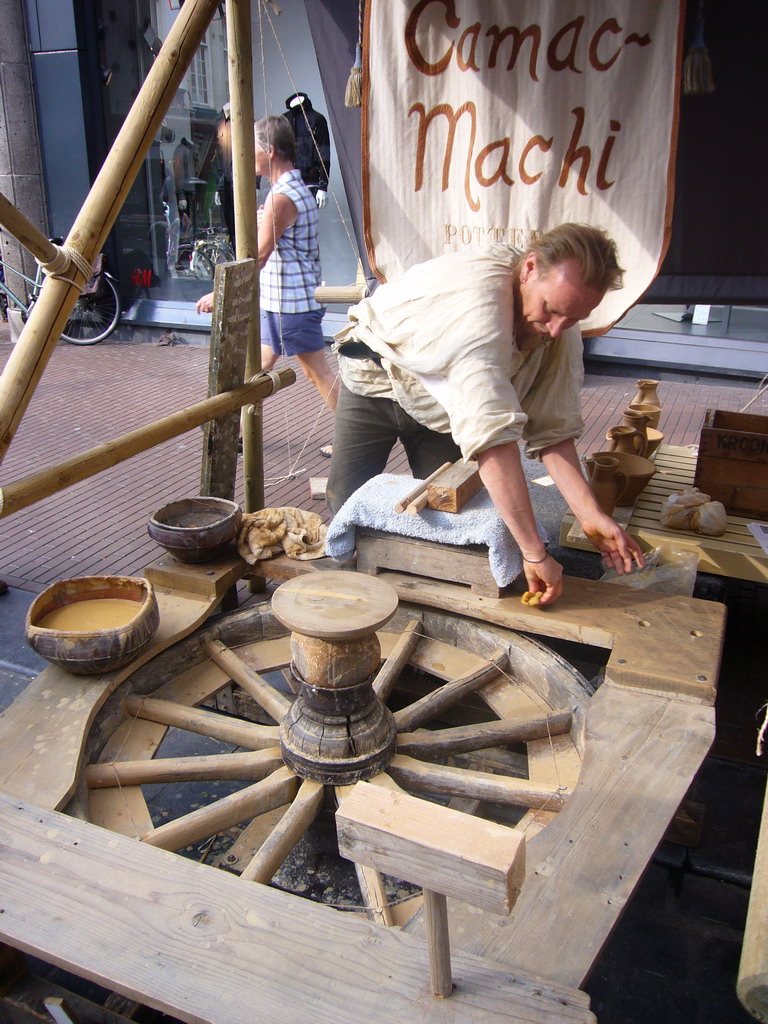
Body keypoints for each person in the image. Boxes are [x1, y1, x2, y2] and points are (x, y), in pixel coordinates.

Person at [326, 223, 645, 606]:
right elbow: (494, 440)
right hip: (376, 380)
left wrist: (589, 514)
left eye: (574, 318)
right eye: (551, 311)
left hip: (442, 404)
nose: (557, 329)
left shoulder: (559, 325)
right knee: (347, 503)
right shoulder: (478, 309)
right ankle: (343, 598)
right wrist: (535, 554)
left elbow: (553, 432)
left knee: (449, 514)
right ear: (528, 269)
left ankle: (420, 605)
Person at [196, 115, 338, 418]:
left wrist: (217, 294)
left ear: (269, 151)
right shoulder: (291, 190)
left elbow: (259, 255)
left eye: (252, 149)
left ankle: (353, 440)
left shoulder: (283, 196)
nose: (247, 156)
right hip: (283, 299)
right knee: (257, 369)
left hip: (293, 303)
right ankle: (233, 426)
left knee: (319, 374)